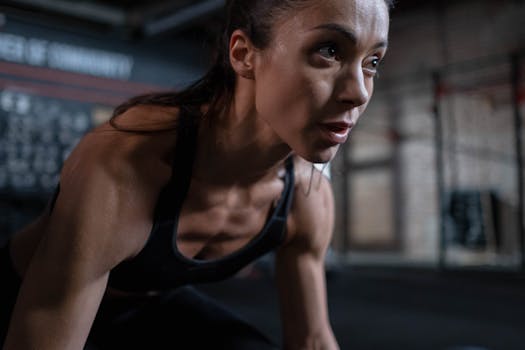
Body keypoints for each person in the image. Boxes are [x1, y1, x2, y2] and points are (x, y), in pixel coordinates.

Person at [1, 0, 391, 348]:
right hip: (27, 302)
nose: (358, 92)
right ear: (243, 55)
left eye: (372, 61)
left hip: (150, 305)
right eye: (328, 51)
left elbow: (312, 338)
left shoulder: (306, 198)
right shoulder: (128, 165)